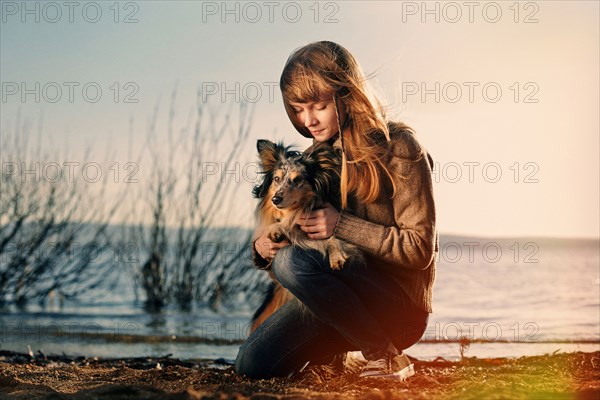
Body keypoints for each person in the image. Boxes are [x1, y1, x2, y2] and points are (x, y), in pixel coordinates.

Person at [235, 41, 438, 380]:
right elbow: (294, 231)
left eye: (318, 106)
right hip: (334, 302)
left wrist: (340, 224)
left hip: (397, 307)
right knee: (251, 366)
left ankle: (384, 355)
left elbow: (419, 250)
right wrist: (262, 247)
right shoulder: (314, 159)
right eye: (298, 109)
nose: (308, 120)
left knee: (292, 263)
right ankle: (339, 353)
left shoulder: (400, 148)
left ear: (347, 95)